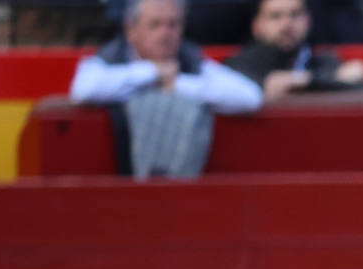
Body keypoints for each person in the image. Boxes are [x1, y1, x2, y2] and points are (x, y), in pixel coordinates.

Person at [70, 0, 262, 178]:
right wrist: (151, 72)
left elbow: (249, 96)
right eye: (155, 25)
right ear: (131, 28)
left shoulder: (189, 58)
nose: (165, 34)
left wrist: (178, 84)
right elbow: (83, 90)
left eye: (173, 24)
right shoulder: (112, 55)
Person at [225, 0, 363, 100]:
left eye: (295, 15)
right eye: (275, 16)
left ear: (308, 21)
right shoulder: (238, 66)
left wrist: (296, 82)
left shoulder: (324, 61)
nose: (287, 24)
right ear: (256, 26)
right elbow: (269, 86)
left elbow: (360, 86)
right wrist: (331, 80)